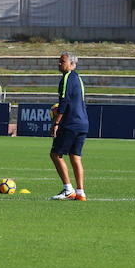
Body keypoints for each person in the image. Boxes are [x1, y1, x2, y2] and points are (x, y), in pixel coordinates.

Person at [49, 51, 88, 201]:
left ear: (71, 64)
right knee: (75, 157)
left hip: (70, 124)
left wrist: (56, 122)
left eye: (62, 61)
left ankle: (68, 189)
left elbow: (64, 102)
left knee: (55, 154)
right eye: (59, 61)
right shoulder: (78, 78)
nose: (59, 64)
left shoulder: (66, 78)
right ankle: (80, 192)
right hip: (82, 123)